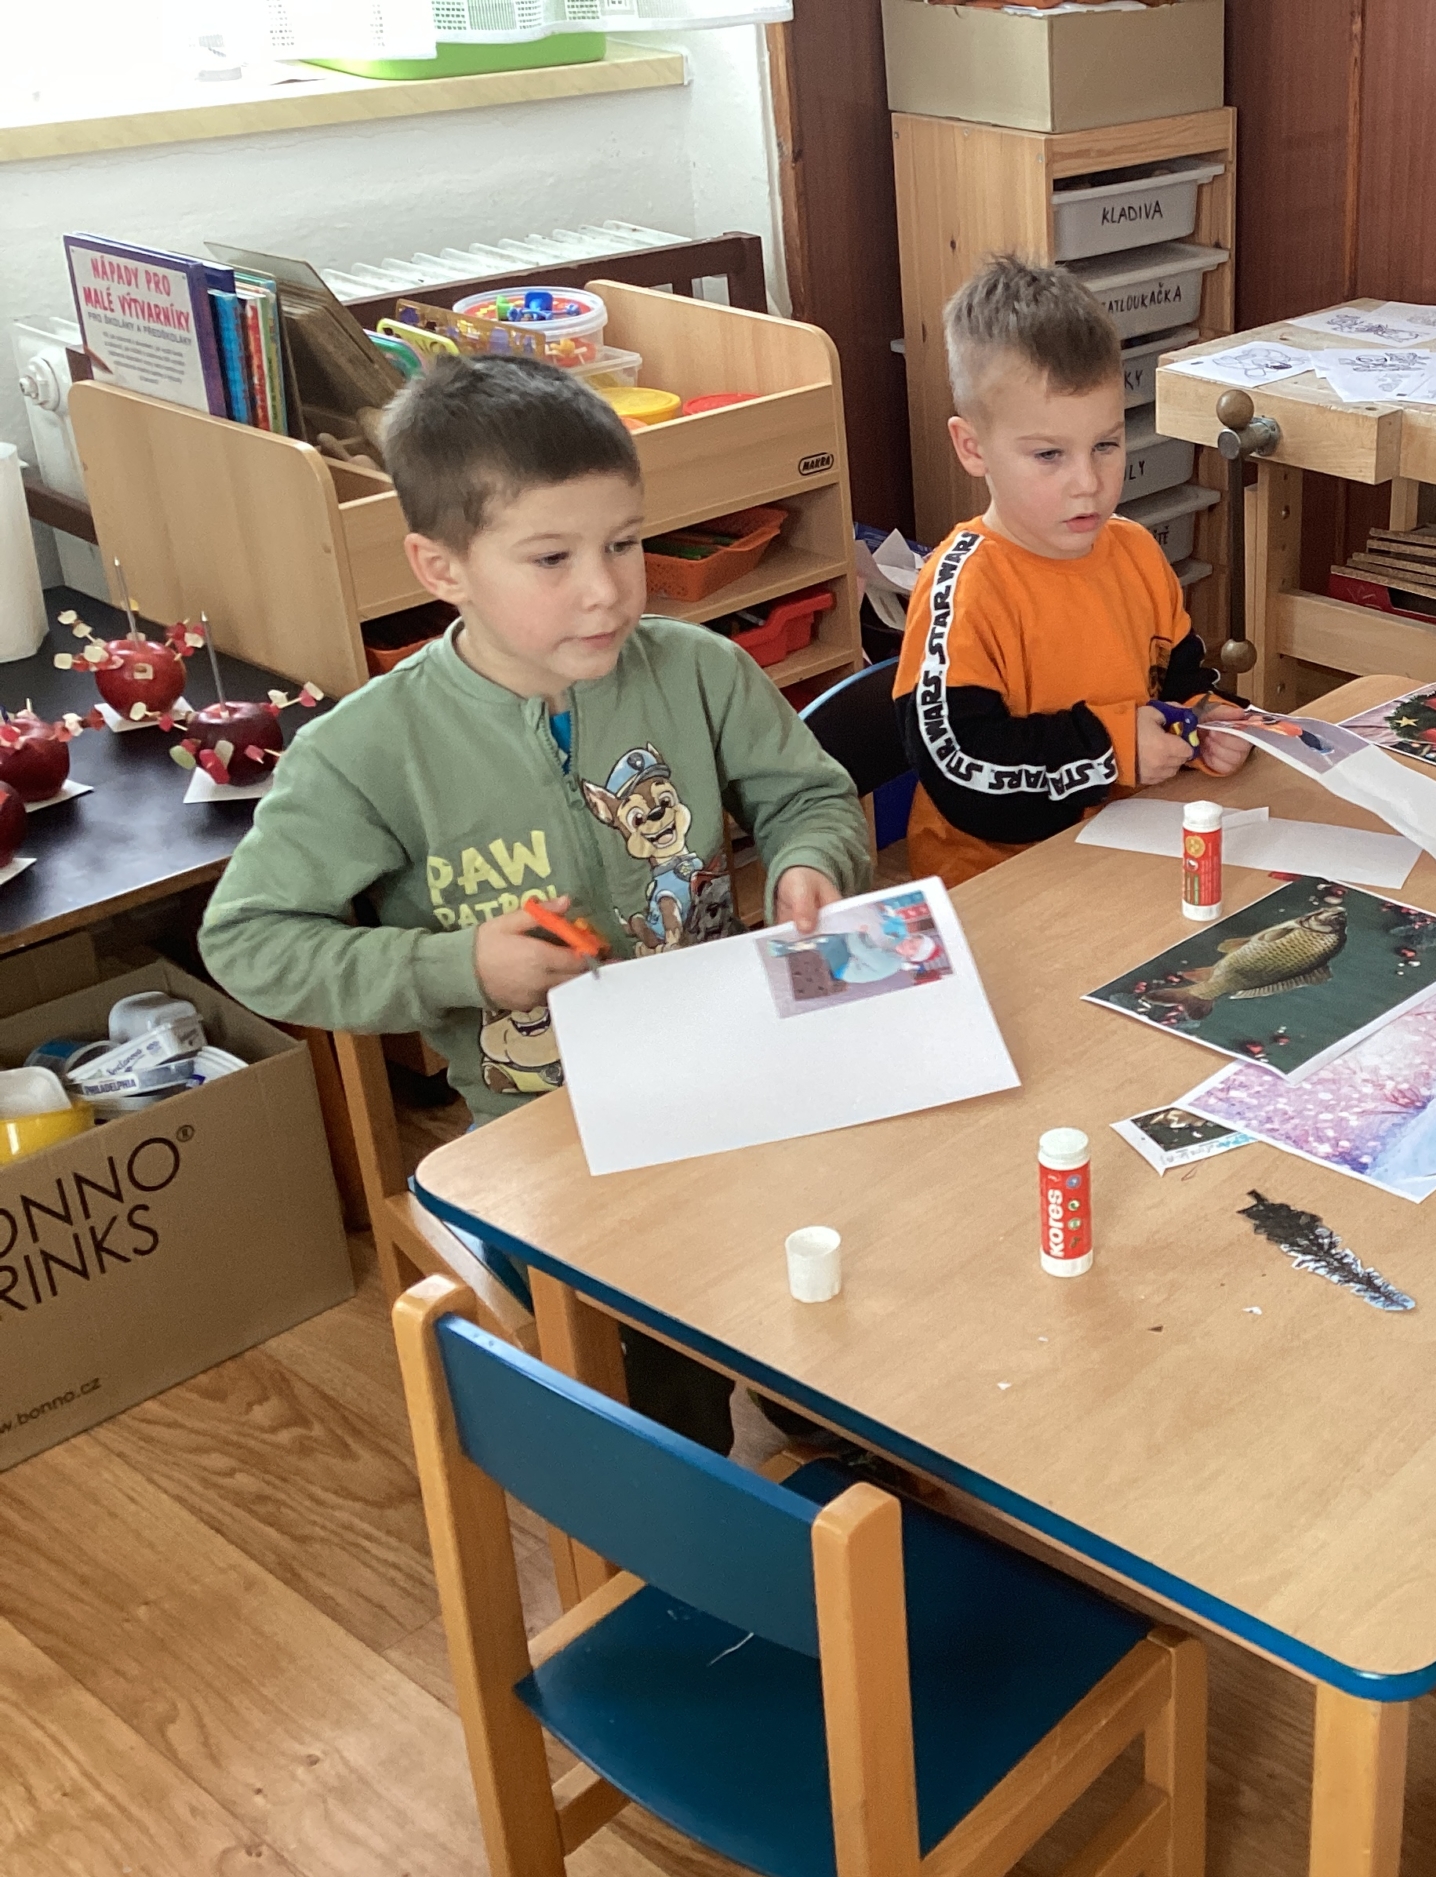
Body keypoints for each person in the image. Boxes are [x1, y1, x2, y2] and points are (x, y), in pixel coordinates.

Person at [201, 354, 871, 1452]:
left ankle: (825, 1413)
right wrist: (457, 966)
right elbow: (249, 942)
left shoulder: (699, 670)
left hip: (732, 1069)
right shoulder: (369, 751)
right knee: (658, 1375)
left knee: (851, 1234)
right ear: (442, 566)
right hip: (544, 1139)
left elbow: (812, 797)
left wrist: (812, 861)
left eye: (625, 543)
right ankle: (693, 1495)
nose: (606, 588)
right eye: (552, 558)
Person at [893, 254, 1247, 886]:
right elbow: (962, 772)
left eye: (1106, 445)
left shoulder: (1136, 552)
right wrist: (1111, 751)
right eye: (1049, 455)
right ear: (972, 448)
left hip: (1129, 853)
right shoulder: (964, 588)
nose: (1088, 482)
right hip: (999, 884)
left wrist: (1210, 720)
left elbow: (1181, 681)